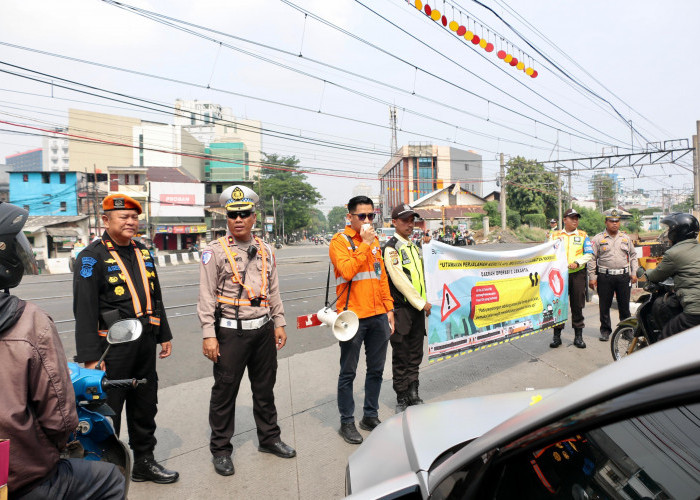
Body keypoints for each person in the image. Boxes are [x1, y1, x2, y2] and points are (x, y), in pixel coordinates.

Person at [0, 202, 125, 499]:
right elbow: (59, 417)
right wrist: (62, 442)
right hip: (21, 476)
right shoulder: (30, 321)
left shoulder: (136, 252)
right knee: (109, 480)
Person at [73, 194, 179, 485]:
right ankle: (107, 472)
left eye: (135, 217)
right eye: (124, 217)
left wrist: (163, 335)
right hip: (111, 349)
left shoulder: (143, 252)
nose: (132, 222)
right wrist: (92, 358)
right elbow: (84, 310)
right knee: (109, 411)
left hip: (144, 343)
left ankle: (144, 462)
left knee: (145, 404)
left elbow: (154, 296)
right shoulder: (91, 257)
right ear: (106, 220)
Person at [198, 185, 295, 477]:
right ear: (226, 219)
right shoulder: (213, 252)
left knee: (264, 390)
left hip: (263, 330)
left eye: (244, 214)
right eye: (232, 215)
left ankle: (269, 438)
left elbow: (273, 290)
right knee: (225, 392)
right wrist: (208, 333)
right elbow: (206, 296)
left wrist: (279, 322)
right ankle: (221, 450)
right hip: (230, 334)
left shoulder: (266, 250)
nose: (238, 220)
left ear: (254, 217)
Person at [329, 196, 394, 445]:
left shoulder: (375, 241)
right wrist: (365, 244)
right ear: (350, 217)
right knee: (348, 372)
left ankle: (370, 415)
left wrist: (389, 308)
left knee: (376, 370)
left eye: (371, 216)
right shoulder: (340, 241)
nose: (367, 220)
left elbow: (381, 277)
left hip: (378, 315)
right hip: (353, 317)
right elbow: (346, 270)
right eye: (362, 216)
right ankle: (347, 422)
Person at [383, 204, 431, 413]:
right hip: (401, 310)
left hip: (418, 310)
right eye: (405, 220)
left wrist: (424, 302)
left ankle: (414, 392)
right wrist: (422, 302)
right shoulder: (391, 248)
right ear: (394, 223)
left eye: (412, 220)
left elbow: (421, 277)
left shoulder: (413, 246)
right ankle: (402, 396)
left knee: (415, 353)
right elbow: (400, 280)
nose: (410, 224)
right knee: (401, 355)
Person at [645, 212, 700, 339]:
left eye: (669, 229)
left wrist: (646, 273)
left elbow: (655, 276)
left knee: (665, 339)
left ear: (678, 231)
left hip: (695, 311)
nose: (668, 233)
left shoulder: (673, 254)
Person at [588, 210, 638, 342]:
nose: (615, 224)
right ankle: (605, 331)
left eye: (617, 221)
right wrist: (592, 276)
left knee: (624, 306)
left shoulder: (625, 238)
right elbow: (592, 258)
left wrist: (634, 273)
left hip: (623, 276)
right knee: (604, 306)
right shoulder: (598, 238)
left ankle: (626, 331)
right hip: (605, 276)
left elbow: (633, 256)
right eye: (611, 221)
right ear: (606, 222)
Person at [550, 208, 593, 349]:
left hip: (577, 274)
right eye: (572, 218)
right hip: (559, 275)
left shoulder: (583, 235)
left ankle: (578, 337)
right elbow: (546, 252)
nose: (575, 220)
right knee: (558, 305)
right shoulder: (554, 235)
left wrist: (578, 263)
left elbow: (589, 253)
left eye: (577, 218)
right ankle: (556, 337)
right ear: (564, 220)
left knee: (577, 305)